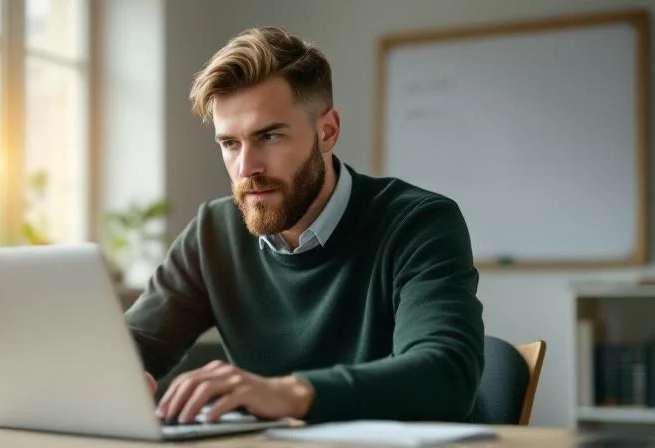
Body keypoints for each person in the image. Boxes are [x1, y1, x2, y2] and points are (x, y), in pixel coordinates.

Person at [124, 26, 485, 425]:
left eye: (270, 136)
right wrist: (114, 374)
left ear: (327, 132)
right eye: (230, 143)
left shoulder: (418, 223)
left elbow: (446, 374)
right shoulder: (214, 231)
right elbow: (133, 343)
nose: (247, 168)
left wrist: (290, 393)